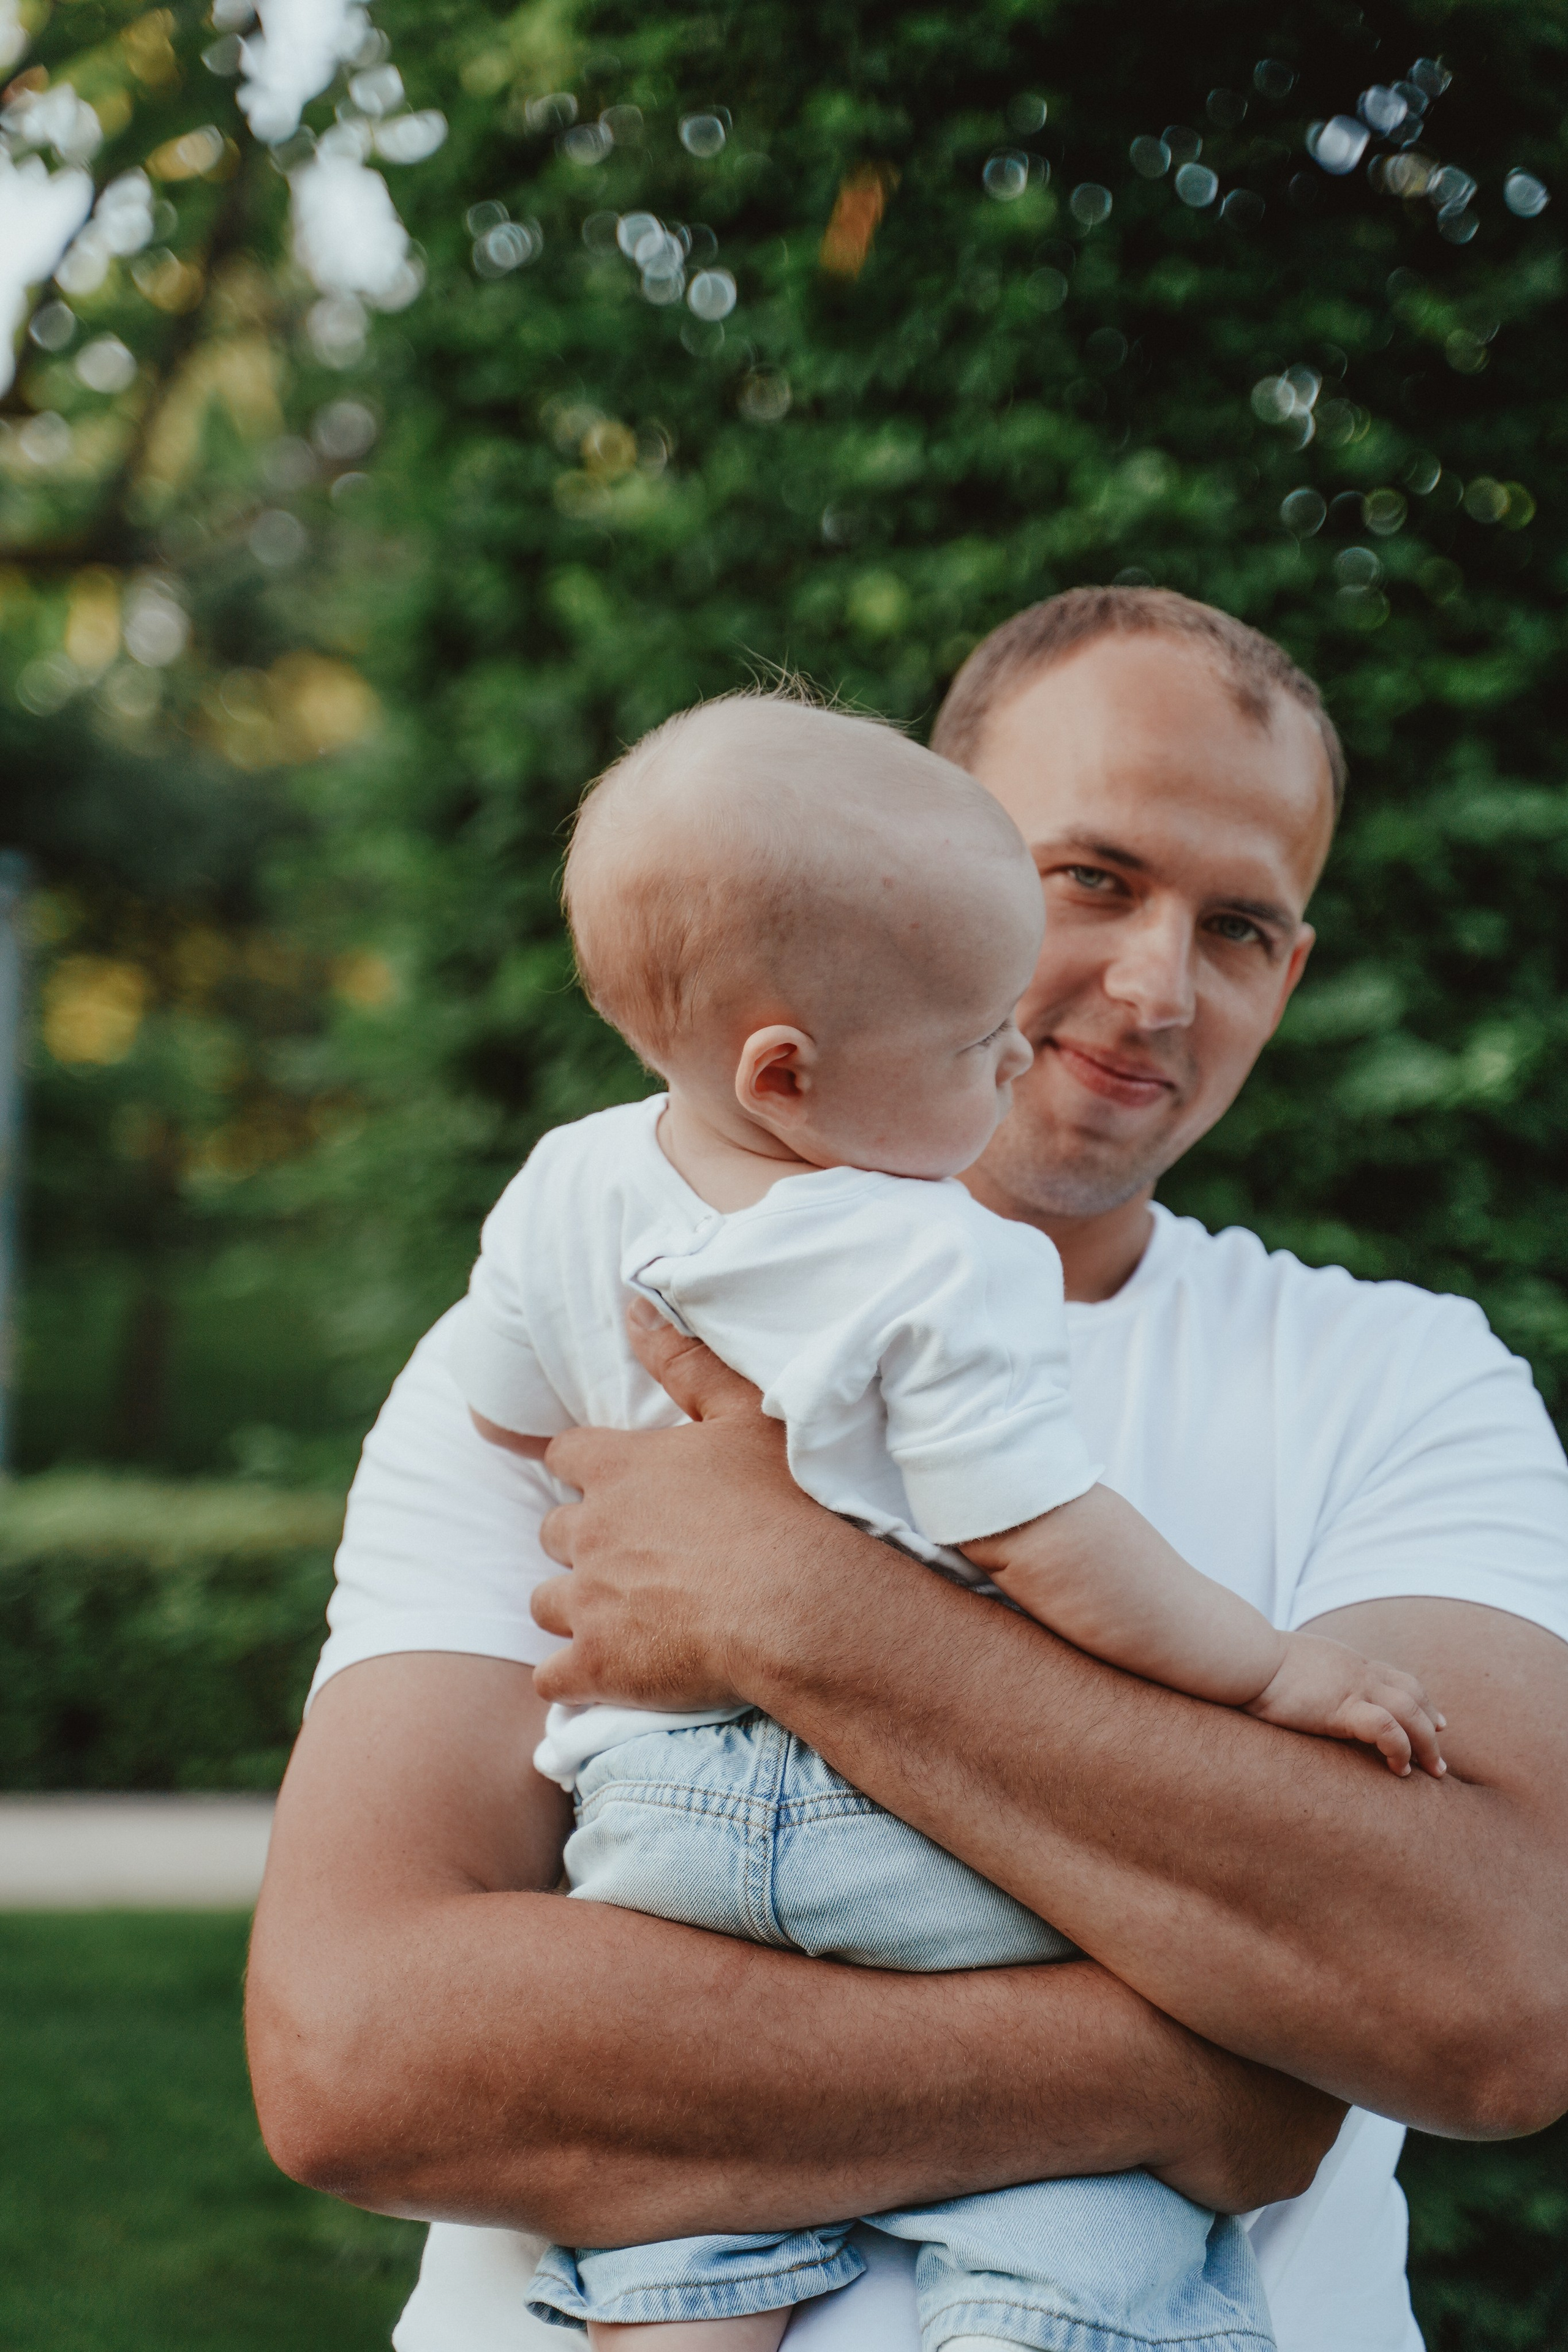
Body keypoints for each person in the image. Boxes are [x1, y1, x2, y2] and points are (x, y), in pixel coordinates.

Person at [246, 589, 1568, 2352]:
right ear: (929, 861)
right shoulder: (578, 1324)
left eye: (1242, 927)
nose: (1160, 985)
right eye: (1090, 880)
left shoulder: (1399, 1378)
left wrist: (795, 1605)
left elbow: (1496, 1997)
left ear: (1292, 971)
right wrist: (1187, 2076)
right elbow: (358, 2057)